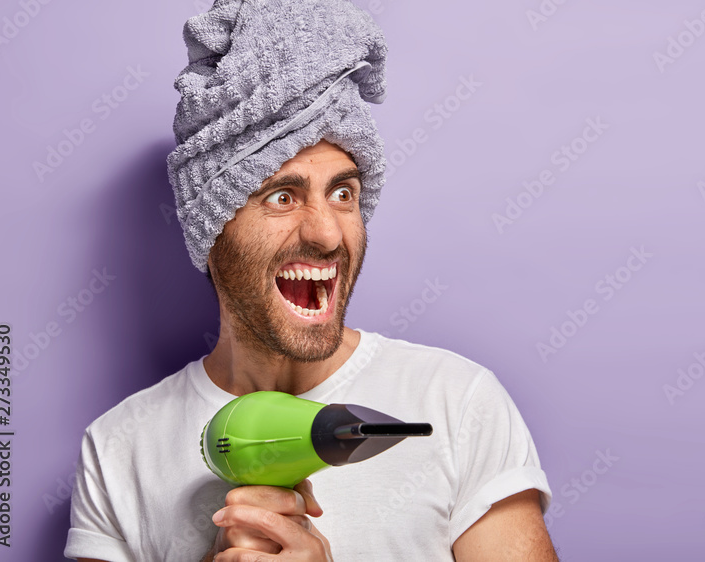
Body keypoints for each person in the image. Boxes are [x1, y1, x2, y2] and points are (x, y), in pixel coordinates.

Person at [64, 1, 556, 560]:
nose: (327, 234)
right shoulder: (119, 448)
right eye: (282, 196)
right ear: (212, 227)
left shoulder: (458, 403)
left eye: (344, 193)